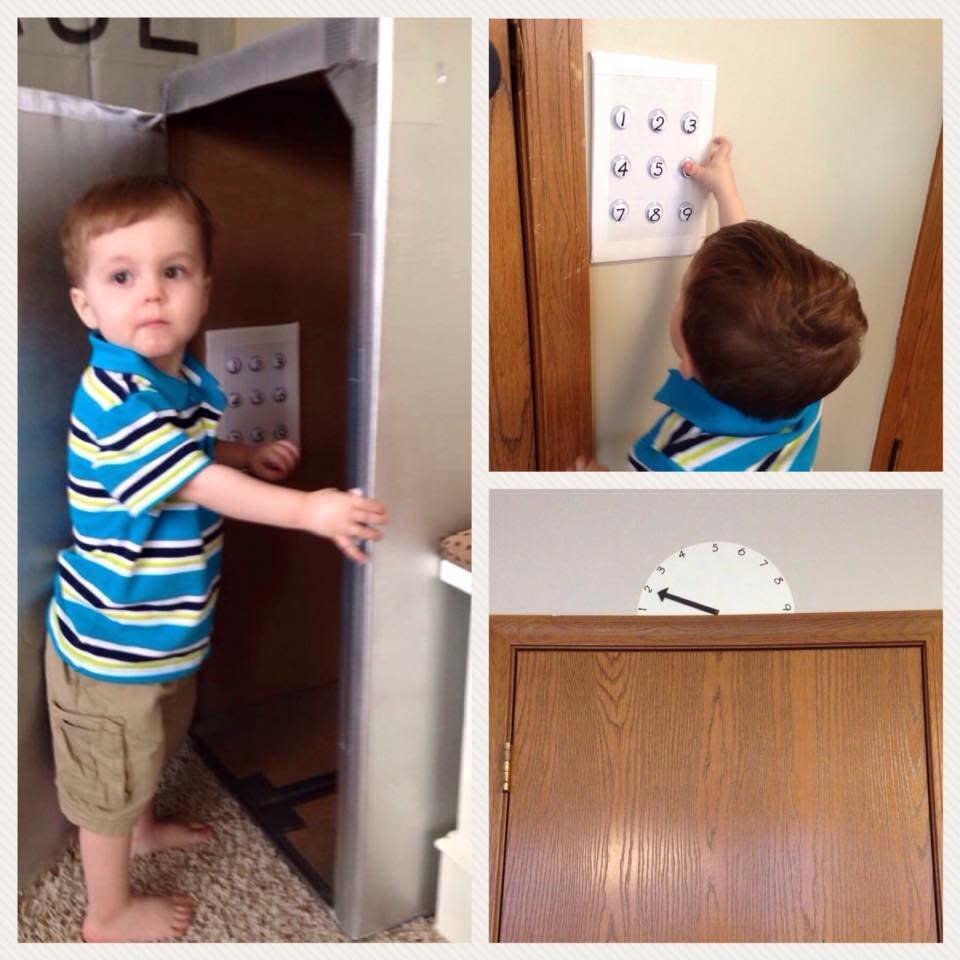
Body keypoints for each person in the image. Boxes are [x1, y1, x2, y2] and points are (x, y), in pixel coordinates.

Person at [45, 175, 388, 941]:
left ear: (205, 287)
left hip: (163, 635)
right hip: (113, 650)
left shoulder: (180, 382)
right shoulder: (115, 399)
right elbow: (194, 479)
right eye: (123, 277)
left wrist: (244, 450)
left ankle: (141, 824)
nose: (153, 295)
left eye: (174, 271)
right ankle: (105, 914)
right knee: (109, 784)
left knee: (153, 747)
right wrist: (308, 507)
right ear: (86, 305)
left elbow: (197, 452)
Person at [577, 136, 868, 472]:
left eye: (683, 291)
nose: (679, 292)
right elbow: (750, 284)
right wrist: (724, 191)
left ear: (689, 363)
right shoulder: (803, 393)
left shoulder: (671, 463)